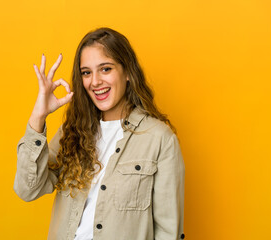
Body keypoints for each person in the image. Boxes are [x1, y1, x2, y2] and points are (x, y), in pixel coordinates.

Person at [13, 27, 185, 240]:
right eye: (86, 72)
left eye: (105, 69)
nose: (95, 81)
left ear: (128, 72)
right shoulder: (72, 132)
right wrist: (38, 117)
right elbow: (27, 190)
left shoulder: (160, 138)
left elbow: (169, 231)